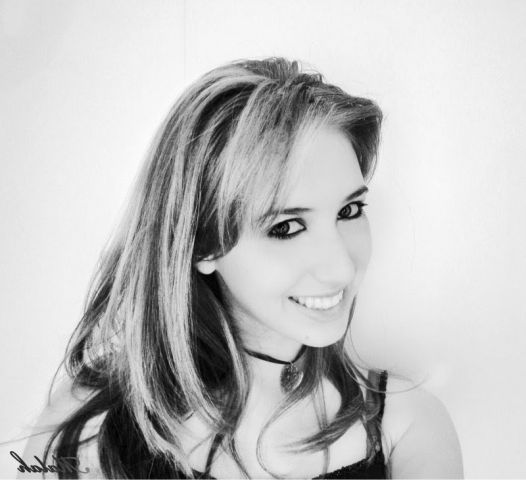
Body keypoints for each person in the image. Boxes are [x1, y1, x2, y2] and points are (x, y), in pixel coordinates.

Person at [19, 57, 463, 479]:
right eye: (286, 227)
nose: (342, 268)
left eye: (349, 211)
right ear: (200, 243)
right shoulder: (90, 430)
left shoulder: (408, 428)